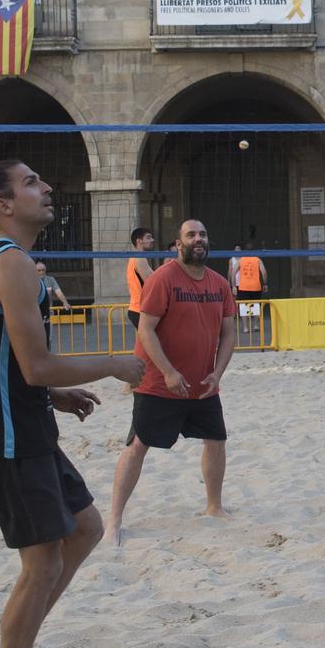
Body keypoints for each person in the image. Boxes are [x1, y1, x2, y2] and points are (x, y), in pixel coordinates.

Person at [0, 160, 143, 648]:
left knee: (85, 529)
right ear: (4, 204)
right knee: (42, 562)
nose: (48, 186)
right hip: (5, 432)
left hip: (18, 419)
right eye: (33, 182)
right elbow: (34, 365)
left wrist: (53, 395)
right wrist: (111, 363)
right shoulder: (11, 266)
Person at [109, 218, 238, 538]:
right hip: (158, 382)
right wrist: (168, 372)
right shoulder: (163, 279)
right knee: (138, 444)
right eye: (191, 234)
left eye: (203, 234)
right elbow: (145, 330)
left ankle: (214, 506)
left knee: (217, 440)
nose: (199, 239)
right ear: (178, 244)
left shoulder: (218, 283)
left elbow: (229, 334)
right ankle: (113, 521)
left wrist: (217, 374)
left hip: (201, 384)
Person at [230, 245, 266, 342]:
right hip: (256, 286)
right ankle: (255, 325)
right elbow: (264, 272)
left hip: (243, 286)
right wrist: (265, 283)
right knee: (256, 305)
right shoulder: (258, 260)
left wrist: (233, 286)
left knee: (243, 306)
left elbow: (233, 272)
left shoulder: (241, 260)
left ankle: (246, 327)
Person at [125, 227, 157, 304]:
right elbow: (152, 283)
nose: (152, 240)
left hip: (139, 307)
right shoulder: (139, 258)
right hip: (140, 308)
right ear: (139, 241)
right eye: (148, 237)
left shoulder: (136, 257)